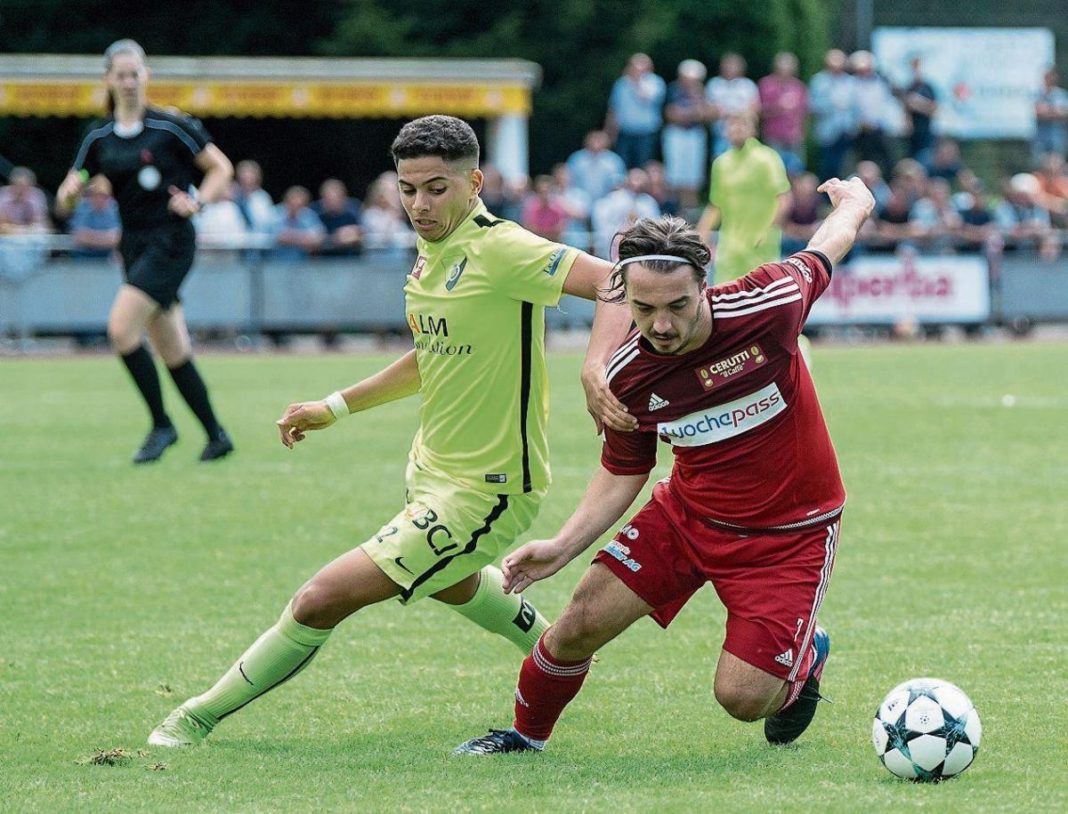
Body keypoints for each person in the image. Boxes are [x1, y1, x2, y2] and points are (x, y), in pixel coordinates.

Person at [147, 114, 635, 749]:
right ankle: (557, 651)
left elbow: (618, 283)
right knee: (451, 580)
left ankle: (196, 715)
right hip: (431, 472)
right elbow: (431, 354)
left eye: (436, 188)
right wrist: (335, 406)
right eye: (407, 189)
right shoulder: (433, 251)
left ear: (475, 182)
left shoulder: (503, 248)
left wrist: (594, 370)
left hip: (489, 490)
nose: (419, 204)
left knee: (320, 598)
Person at [454, 176, 876, 756]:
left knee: (742, 698)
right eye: (644, 308)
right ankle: (525, 739)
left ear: (704, 286)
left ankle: (806, 656)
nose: (662, 326)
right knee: (578, 622)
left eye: (677, 305)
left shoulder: (769, 306)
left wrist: (854, 204)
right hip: (686, 517)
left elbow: (825, 248)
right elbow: (626, 468)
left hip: (789, 534)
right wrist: (562, 545)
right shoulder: (626, 374)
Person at [56, 39, 234, 463]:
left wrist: (197, 201)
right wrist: (70, 193)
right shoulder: (98, 138)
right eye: (121, 74)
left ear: (146, 75)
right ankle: (216, 435)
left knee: (121, 330)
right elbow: (67, 198)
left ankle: (161, 425)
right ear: (108, 80)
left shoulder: (170, 127)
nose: (130, 81)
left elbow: (220, 168)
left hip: (171, 240)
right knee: (171, 347)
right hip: (133, 244)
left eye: (136, 73)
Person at [696, 113, 790, 283]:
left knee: (763, 301)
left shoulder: (767, 159)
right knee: (726, 299)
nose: (735, 129)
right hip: (730, 250)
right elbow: (715, 205)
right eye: (731, 125)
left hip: (761, 248)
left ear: (753, 130)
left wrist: (768, 232)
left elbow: (784, 199)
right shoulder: (721, 164)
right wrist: (701, 235)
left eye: (741, 125)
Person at [661, 59, 712, 213]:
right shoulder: (672, 90)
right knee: (673, 177)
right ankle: (673, 212)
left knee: (693, 178)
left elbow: (706, 114)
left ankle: (690, 214)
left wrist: (685, 113)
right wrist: (692, 113)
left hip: (694, 135)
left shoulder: (701, 92)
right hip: (675, 134)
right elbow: (669, 114)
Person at [605, 53, 666, 170]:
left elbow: (645, 98)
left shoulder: (656, 83)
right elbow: (613, 110)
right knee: (622, 166)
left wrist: (636, 82)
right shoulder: (621, 84)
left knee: (643, 166)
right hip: (624, 132)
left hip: (646, 133)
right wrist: (610, 133)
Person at [808, 50, 858, 181]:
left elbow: (855, 107)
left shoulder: (850, 82)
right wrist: (832, 105)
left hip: (847, 130)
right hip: (827, 132)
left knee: (846, 166)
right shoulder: (819, 81)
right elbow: (813, 105)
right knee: (828, 166)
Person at [757, 52, 808, 176]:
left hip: (794, 137)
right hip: (773, 135)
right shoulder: (766, 84)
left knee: (795, 172)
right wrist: (778, 107)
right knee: (774, 172)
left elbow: (804, 113)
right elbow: (760, 111)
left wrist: (801, 132)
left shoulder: (798, 87)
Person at [706, 53, 760, 160]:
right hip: (720, 135)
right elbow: (709, 112)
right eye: (728, 65)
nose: (731, 68)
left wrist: (728, 113)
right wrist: (738, 113)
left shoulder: (748, 85)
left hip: (744, 137)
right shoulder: (714, 84)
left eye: (734, 65)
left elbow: (754, 111)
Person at [897, 55, 938, 164]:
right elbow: (906, 111)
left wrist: (918, 104)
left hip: (925, 133)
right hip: (912, 136)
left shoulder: (927, 87)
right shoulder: (909, 87)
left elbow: (934, 109)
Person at [68, 175, 121, 258]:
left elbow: (115, 239)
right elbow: (79, 237)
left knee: (117, 259)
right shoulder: (83, 206)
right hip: (82, 254)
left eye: (104, 196)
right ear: (91, 195)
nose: (101, 199)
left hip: (105, 254)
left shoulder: (111, 207)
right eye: (98, 195)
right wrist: (104, 238)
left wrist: (91, 237)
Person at [312, 178, 363, 256]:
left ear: (344, 198)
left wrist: (354, 236)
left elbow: (363, 236)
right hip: (323, 263)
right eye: (328, 199)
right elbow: (311, 242)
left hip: (350, 262)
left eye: (336, 198)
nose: (332, 203)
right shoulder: (316, 217)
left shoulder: (353, 215)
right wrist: (335, 239)